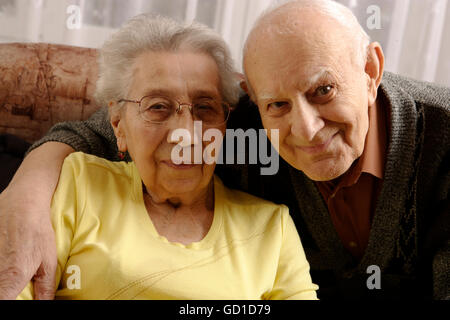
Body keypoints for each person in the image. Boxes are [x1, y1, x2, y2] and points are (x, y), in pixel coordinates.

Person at [0, 0, 448, 300]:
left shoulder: (269, 225)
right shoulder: (85, 181)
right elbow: (109, 126)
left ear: (371, 70)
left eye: (324, 90)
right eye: (276, 105)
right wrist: (24, 195)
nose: (305, 127)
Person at [12, 14, 318, 300]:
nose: (185, 133)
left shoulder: (271, 228)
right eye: (158, 106)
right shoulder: (78, 185)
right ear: (117, 124)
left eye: (205, 108)